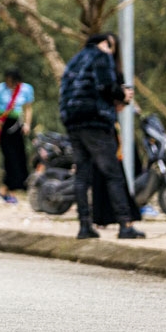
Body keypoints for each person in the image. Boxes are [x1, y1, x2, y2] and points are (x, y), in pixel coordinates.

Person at [59, 32, 144, 240]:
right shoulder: (100, 56)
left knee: (82, 176)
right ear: (105, 44)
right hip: (95, 121)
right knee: (112, 173)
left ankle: (84, 226)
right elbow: (105, 86)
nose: (111, 52)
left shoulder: (75, 60)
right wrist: (122, 95)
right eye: (111, 47)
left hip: (72, 122)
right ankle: (125, 224)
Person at [0, 67, 33, 204]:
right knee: (9, 158)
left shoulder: (26, 89)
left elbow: (28, 108)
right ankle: (8, 190)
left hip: (17, 125)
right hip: (3, 126)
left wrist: (27, 124)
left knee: (19, 157)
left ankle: (6, 189)